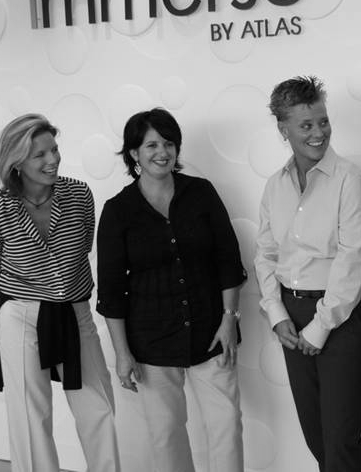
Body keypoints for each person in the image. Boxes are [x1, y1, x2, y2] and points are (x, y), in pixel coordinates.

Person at [96, 108, 245, 472]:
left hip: (212, 332)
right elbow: (111, 292)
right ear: (134, 153)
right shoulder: (118, 211)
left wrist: (229, 319)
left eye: (168, 143)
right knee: (166, 435)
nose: (162, 152)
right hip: (151, 341)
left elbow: (228, 260)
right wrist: (122, 353)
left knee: (226, 425)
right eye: (151, 145)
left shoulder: (201, 193)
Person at [0, 114, 120, 472]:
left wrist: (57, 287)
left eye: (54, 149)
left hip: (74, 312)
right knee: (28, 415)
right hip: (21, 316)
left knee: (97, 407)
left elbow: (83, 246)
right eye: (39, 154)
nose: (52, 159)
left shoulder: (79, 194)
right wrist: (26, 292)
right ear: (16, 161)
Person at [254, 76, 361, 472]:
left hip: (343, 316)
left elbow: (354, 260)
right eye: (306, 125)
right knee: (316, 436)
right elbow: (266, 253)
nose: (318, 133)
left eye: (323, 121)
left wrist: (321, 325)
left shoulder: (350, 180)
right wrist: (276, 314)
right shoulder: (275, 186)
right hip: (291, 315)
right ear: (283, 129)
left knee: (341, 439)